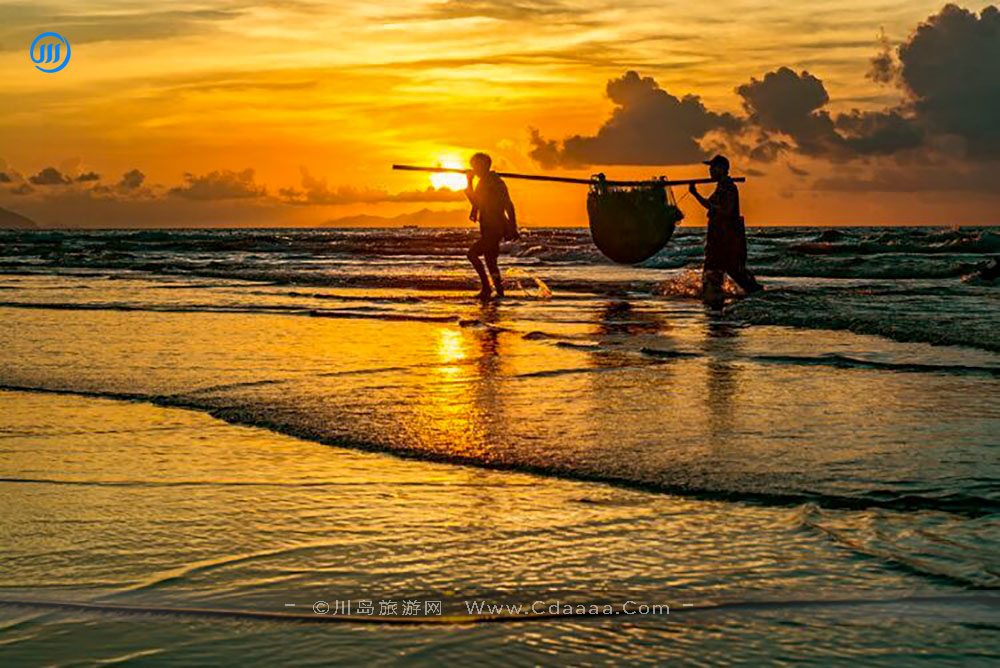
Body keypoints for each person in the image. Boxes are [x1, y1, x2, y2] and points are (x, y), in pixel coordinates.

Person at [688, 155, 762, 305]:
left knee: (734, 271)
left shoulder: (728, 187)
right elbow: (709, 204)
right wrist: (694, 194)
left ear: (721, 169)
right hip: (717, 238)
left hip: (727, 239)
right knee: (713, 272)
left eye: (712, 168)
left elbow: (725, 211)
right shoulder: (720, 187)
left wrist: (711, 207)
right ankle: (713, 304)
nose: (710, 171)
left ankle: (759, 297)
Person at [464, 152, 517, 300]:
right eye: (472, 166)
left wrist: (513, 227)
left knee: (472, 254)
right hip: (488, 226)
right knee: (490, 261)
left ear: (485, 165)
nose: (474, 169)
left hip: (495, 226)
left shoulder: (495, 181)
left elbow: (508, 204)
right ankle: (499, 292)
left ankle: (487, 288)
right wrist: (474, 210)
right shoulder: (483, 181)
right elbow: (478, 202)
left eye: (476, 166)